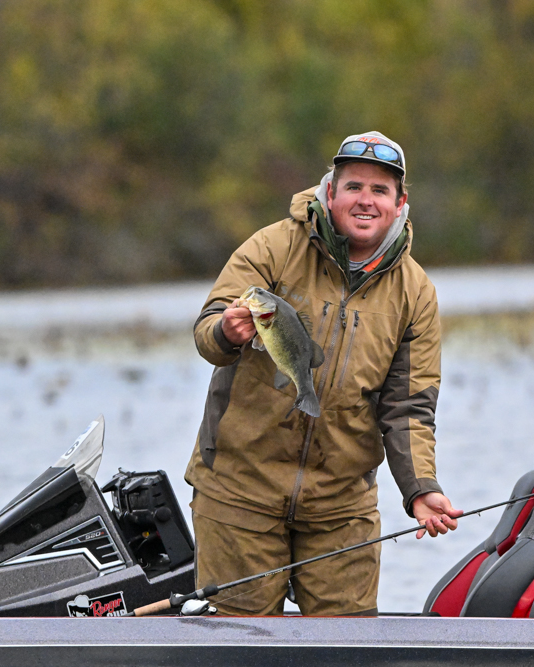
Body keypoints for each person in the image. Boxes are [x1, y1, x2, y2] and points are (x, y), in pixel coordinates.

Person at [185, 131, 460, 616]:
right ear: (330, 192)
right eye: (353, 186)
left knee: (346, 646)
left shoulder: (416, 292)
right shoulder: (272, 246)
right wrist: (226, 331)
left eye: (380, 190)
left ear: (400, 204)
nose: (366, 200)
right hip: (238, 493)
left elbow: (409, 407)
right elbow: (208, 331)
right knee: (240, 644)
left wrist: (421, 489)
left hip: (342, 508)